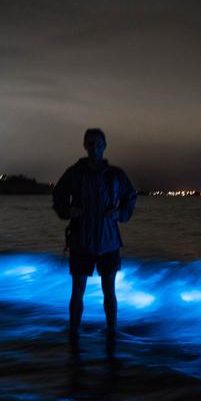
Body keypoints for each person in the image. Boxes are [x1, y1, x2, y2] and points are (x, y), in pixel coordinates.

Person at [52, 128, 137, 337]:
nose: (94, 148)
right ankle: (74, 333)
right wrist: (67, 211)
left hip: (108, 241)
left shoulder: (115, 175)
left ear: (105, 146)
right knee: (77, 291)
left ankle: (111, 333)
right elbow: (58, 195)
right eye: (90, 144)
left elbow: (130, 197)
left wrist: (120, 214)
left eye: (98, 144)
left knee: (109, 291)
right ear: (84, 145)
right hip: (80, 241)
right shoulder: (74, 173)